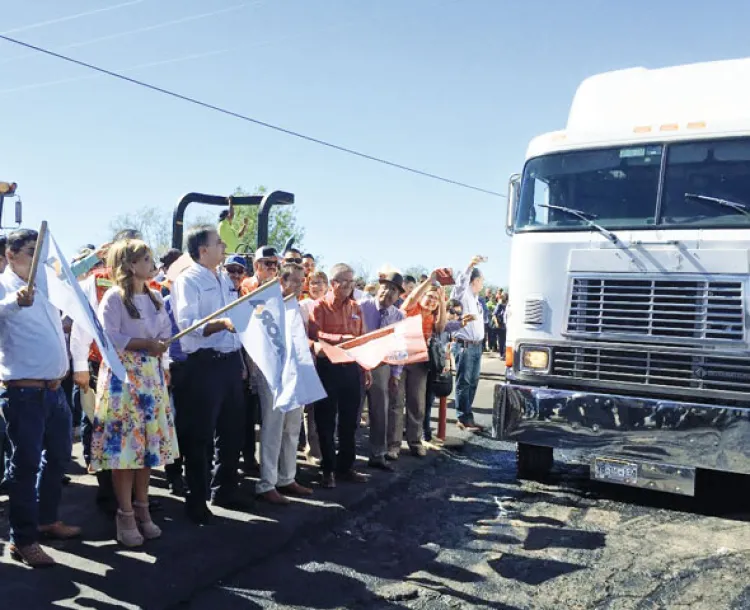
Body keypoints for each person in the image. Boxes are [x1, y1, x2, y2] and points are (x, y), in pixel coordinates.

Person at [0, 228, 80, 567]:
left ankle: (46, 519)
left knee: (59, 458)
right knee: (25, 466)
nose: (38, 257)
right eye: (32, 251)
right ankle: (23, 540)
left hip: (53, 391)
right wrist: (15, 302)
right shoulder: (5, 288)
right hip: (23, 394)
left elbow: (74, 279)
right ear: (11, 254)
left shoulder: (46, 282)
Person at [90, 240, 178, 547]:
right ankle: (124, 514)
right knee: (126, 450)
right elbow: (110, 337)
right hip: (124, 379)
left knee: (146, 449)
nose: (151, 263)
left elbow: (165, 330)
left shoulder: (155, 297)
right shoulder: (114, 298)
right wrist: (144, 345)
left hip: (151, 377)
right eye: (145, 258)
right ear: (130, 265)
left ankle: (143, 508)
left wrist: (163, 348)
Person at [173, 226, 250, 524]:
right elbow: (188, 326)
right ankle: (196, 500)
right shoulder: (188, 280)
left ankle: (225, 490)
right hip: (203, 365)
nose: (224, 246)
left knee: (232, 432)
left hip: (230, 362)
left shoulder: (223, 279)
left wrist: (239, 360)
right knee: (200, 435)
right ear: (202, 250)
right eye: (218, 243)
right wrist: (222, 323)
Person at [308, 263, 372, 488]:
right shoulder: (319, 307)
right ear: (333, 284)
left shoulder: (356, 307)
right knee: (325, 421)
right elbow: (315, 335)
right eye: (344, 282)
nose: (348, 286)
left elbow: (362, 339)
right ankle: (328, 469)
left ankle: (346, 467)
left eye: (351, 282)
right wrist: (340, 338)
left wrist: (366, 369)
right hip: (328, 369)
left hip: (352, 369)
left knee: (350, 421)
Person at [256, 263, 313, 504]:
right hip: (272, 374)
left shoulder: (298, 308)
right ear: (283, 280)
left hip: (295, 373)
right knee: (273, 427)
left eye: (303, 281)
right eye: (296, 281)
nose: (301, 286)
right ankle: (266, 483)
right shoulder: (267, 305)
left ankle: (287, 477)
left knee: (292, 427)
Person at [393, 272, 446, 458]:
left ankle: (415, 442)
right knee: (397, 403)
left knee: (417, 403)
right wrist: (429, 282)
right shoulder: (411, 309)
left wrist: (442, 301)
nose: (432, 301)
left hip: (420, 363)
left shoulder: (433, 317)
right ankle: (394, 444)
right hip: (400, 360)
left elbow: (441, 327)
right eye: (429, 297)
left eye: (435, 299)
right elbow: (411, 299)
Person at [360, 271, 405, 470]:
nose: (387, 292)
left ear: (398, 296)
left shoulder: (399, 316)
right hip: (358, 364)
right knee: (352, 411)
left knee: (380, 412)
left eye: (393, 290)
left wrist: (395, 375)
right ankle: (347, 455)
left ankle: (378, 454)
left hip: (381, 366)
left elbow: (400, 348)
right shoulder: (362, 306)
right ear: (379, 288)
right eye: (385, 286)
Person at [450, 256, 485, 431]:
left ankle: (468, 415)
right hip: (464, 345)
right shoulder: (464, 295)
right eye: (481, 280)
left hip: (477, 345)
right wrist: (469, 266)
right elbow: (459, 286)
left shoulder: (477, 300)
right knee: (464, 381)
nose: (483, 284)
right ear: (475, 280)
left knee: (473, 381)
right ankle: (462, 417)